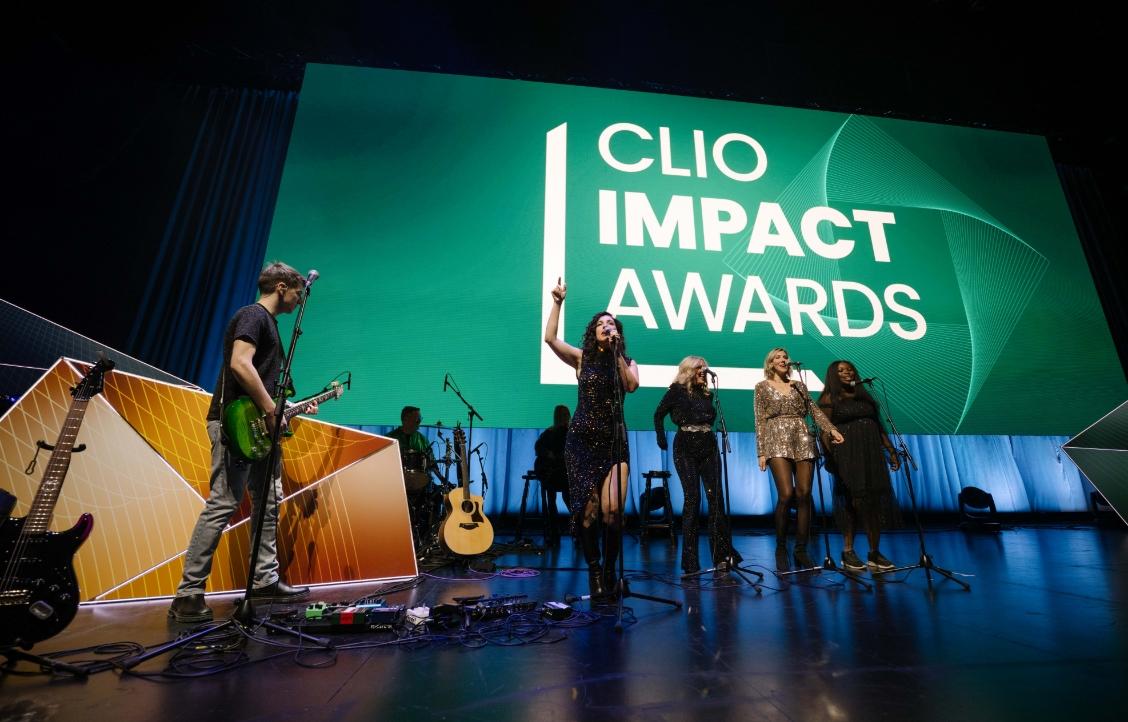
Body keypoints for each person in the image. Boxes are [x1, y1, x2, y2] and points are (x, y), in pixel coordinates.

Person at [169, 262, 314, 623]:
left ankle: (264, 580)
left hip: (260, 427)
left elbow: (263, 381)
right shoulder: (253, 315)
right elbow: (240, 364)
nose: (300, 300)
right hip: (235, 424)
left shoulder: (270, 326)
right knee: (224, 503)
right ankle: (187, 594)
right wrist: (270, 409)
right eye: (298, 293)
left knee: (268, 502)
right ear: (282, 287)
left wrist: (285, 408)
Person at [544, 277, 639, 596]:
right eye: (601, 324)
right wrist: (557, 302)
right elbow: (550, 338)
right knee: (588, 512)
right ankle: (595, 571)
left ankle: (611, 570)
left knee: (613, 511)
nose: (606, 326)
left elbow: (631, 386)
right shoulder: (582, 358)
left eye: (611, 323)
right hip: (582, 441)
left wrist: (617, 354)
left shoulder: (627, 363)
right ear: (593, 332)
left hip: (615, 442)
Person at [754, 347, 843, 571]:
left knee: (804, 494)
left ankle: (801, 549)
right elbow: (760, 419)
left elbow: (814, 410)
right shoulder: (762, 386)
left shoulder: (799, 386)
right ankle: (781, 547)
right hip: (776, 437)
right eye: (778, 357)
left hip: (802, 436)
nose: (783, 360)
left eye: (785, 357)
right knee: (786, 494)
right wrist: (761, 451)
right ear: (770, 363)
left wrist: (831, 429)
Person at [653, 356, 740, 576]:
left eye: (705, 367)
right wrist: (661, 437)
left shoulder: (707, 393)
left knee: (716, 499)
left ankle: (722, 555)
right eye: (699, 367)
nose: (704, 370)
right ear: (688, 370)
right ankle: (690, 561)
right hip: (685, 447)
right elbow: (658, 414)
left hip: (708, 445)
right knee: (693, 499)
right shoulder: (676, 390)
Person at [817, 360, 901, 572]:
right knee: (852, 502)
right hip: (847, 455)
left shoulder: (865, 396)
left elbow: (878, 427)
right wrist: (829, 458)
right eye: (841, 371)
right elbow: (824, 431)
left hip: (872, 454)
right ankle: (848, 551)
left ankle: (874, 552)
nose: (847, 372)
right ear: (833, 375)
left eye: (850, 369)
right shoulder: (829, 398)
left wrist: (891, 451)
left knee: (873, 502)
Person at [534, 404, 572, 547]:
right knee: (560, 499)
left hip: (557, 473)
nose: (566, 417)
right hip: (555, 474)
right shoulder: (553, 433)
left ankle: (558, 533)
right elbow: (539, 449)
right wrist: (550, 455)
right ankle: (566, 532)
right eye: (565, 415)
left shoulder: (561, 432)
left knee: (558, 499)